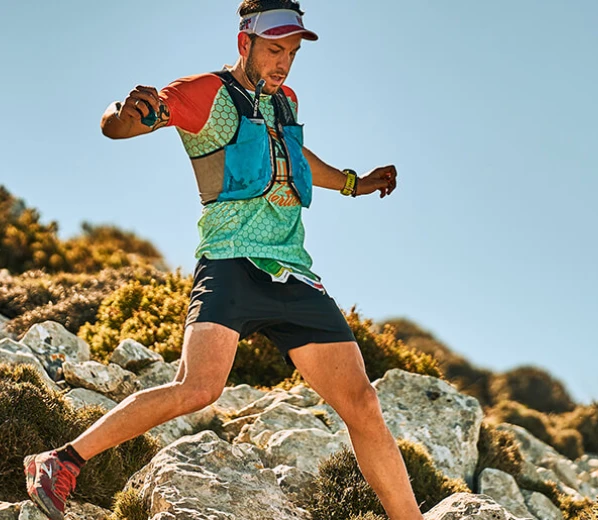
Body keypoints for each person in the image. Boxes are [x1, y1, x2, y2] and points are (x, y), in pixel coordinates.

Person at [23, 1, 423, 519]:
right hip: (230, 262)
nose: (284, 63)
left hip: (291, 271)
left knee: (363, 403)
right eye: (274, 50)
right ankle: (61, 460)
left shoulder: (285, 101)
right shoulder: (205, 93)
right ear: (245, 43)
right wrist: (121, 116)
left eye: (292, 53)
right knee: (197, 389)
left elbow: (293, 157)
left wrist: (354, 183)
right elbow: (122, 125)